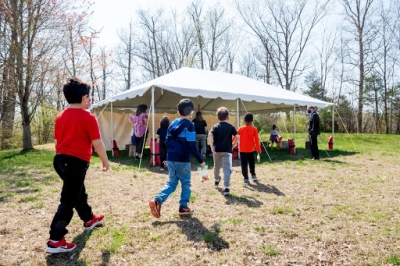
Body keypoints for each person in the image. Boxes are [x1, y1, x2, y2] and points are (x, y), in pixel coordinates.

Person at [46, 78, 109, 254]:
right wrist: (105, 160)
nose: (90, 100)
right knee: (68, 200)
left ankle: (89, 219)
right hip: (76, 162)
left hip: (60, 160)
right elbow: (97, 143)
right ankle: (55, 239)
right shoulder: (87, 116)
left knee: (77, 192)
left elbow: (57, 141)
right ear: (83, 98)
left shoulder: (60, 116)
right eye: (88, 97)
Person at [149, 99, 205, 218]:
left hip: (171, 159)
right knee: (186, 183)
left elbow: (166, 141)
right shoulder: (189, 126)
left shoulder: (172, 124)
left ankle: (157, 200)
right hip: (183, 160)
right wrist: (201, 161)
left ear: (178, 111)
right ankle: (183, 207)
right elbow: (192, 145)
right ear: (191, 112)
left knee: (172, 183)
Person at [208, 107, 239, 196]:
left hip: (217, 150)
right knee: (227, 169)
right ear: (228, 117)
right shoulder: (231, 127)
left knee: (216, 166)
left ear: (217, 118)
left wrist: (211, 147)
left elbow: (210, 135)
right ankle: (226, 187)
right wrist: (233, 145)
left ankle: (217, 179)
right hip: (227, 150)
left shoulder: (215, 126)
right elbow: (237, 136)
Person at [237, 113, 262, 185]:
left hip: (242, 150)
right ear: (252, 121)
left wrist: (231, 144)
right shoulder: (254, 129)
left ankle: (246, 178)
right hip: (251, 149)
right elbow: (257, 140)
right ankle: (253, 175)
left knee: (244, 164)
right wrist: (258, 149)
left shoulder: (240, 129)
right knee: (252, 163)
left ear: (244, 120)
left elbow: (235, 137)